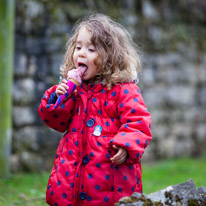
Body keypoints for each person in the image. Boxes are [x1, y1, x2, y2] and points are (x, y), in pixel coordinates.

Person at [38, 13, 152, 206]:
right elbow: (56, 121)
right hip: (71, 179)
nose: (81, 53)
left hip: (109, 183)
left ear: (109, 57)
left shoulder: (123, 89)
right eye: (78, 47)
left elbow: (138, 122)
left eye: (91, 49)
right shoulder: (73, 89)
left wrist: (126, 145)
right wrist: (60, 97)